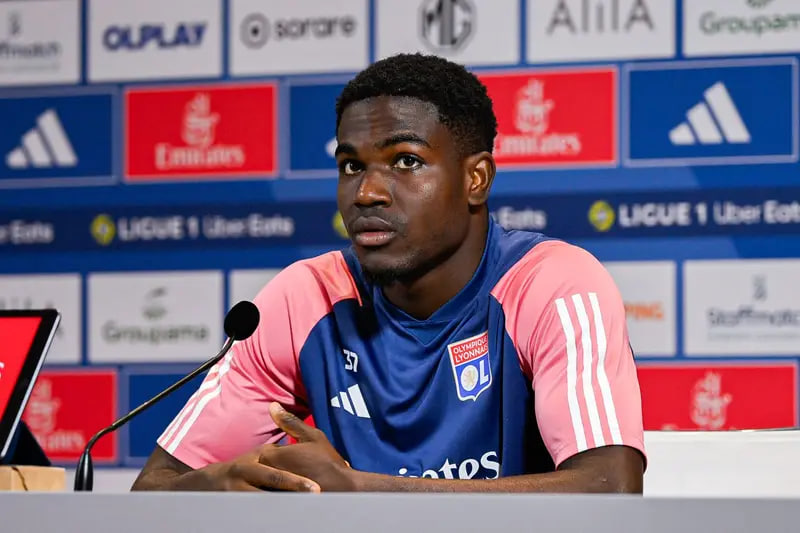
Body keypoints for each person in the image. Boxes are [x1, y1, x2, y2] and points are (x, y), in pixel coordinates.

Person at [132, 53, 645, 493]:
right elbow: (153, 488)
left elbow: (610, 486)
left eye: (406, 162)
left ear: (476, 178)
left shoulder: (552, 285)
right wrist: (218, 485)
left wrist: (360, 490)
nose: (367, 193)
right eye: (351, 166)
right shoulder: (304, 298)